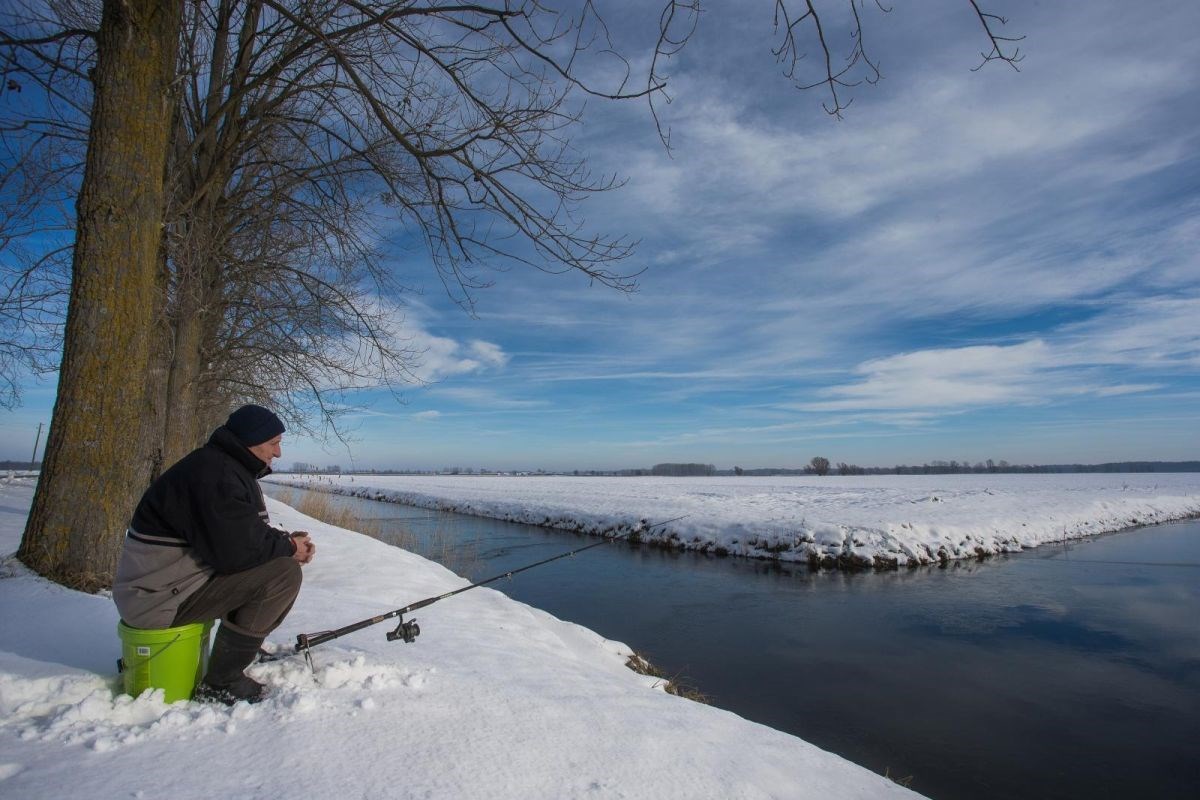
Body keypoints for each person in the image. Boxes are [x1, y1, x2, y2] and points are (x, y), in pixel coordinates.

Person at [113, 404, 316, 705]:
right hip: (157, 601)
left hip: (165, 591)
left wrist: (287, 542)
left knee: (276, 562)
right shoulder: (216, 475)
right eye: (274, 443)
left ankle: (236, 651)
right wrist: (288, 549)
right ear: (251, 440)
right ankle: (222, 680)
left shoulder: (220, 467)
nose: (278, 453)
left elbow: (241, 533)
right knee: (283, 574)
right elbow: (236, 554)